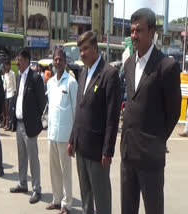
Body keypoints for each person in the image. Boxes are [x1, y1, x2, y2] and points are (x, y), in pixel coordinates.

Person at [120, 8, 181, 214]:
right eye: (132, 30)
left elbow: (173, 112)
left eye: (139, 30)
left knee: (154, 209)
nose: (134, 35)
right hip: (128, 154)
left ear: (152, 31)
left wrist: (156, 140)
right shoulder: (128, 64)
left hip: (150, 157)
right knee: (128, 209)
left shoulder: (166, 66)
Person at [68, 31, 121, 214]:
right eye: (80, 50)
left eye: (85, 49)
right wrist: (72, 139)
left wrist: (108, 150)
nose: (82, 53)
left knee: (102, 197)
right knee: (86, 196)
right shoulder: (83, 73)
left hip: (98, 152)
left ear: (95, 49)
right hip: (81, 147)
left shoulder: (109, 74)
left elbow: (112, 117)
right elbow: (79, 110)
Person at [9, 48, 46, 204]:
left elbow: (42, 103)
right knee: (22, 157)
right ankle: (23, 183)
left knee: (33, 158)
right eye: (17, 59)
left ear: (27, 61)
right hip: (19, 124)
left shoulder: (36, 78)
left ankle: (37, 189)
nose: (17, 62)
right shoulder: (19, 77)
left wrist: (36, 122)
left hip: (30, 126)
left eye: (20, 60)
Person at [46, 48, 78, 214]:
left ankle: (67, 204)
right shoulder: (50, 83)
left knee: (66, 172)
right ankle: (56, 200)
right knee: (54, 170)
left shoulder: (71, 82)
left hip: (66, 136)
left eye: (60, 59)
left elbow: (76, 111)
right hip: (52, 134)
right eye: (55, 59)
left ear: (65, 62)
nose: (57, 62)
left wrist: (73, 139)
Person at [3, 58, 16, 131]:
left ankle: (11, 125)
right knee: (6, 111)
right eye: (6, 65)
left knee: (10, 110)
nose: (7, 67)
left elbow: (14, 84)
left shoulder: (12, 73)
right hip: (6, 94)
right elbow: (4, 85)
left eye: (8, 65)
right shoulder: (5, 74)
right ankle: (7, 124)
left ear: (10, 66)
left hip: (11, 94)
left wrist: (14, 93)